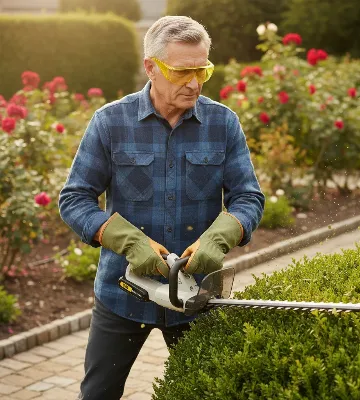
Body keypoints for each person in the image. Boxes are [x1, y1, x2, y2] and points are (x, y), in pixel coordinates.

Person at [59, 15, 265, 400]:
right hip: (123, 294)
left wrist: (220, 237)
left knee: (209, 393)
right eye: (182, 71)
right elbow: (74, 198)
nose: (194, 83)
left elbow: (248, 197)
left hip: (196, 297)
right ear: (151, 67)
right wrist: (126, 241)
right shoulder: (110, 122)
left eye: (202, 70)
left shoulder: (223, 123)